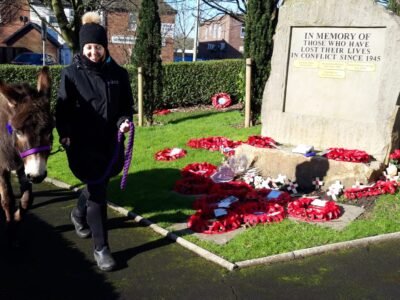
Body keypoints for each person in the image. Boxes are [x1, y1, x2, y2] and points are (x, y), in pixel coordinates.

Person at [56, 11, 133, 272]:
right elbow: (62, 109)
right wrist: (64, 132)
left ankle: (78, 213)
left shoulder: (119, 74)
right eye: (88, 47)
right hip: (82, 143)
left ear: (104, 47)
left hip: (111, 142)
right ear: (82, 47)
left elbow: (125, 106)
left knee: (98, 184)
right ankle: (102, 249)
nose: (93, 52)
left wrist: (123, 121)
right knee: (98, 192)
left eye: (97, 47)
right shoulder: (70, 74)